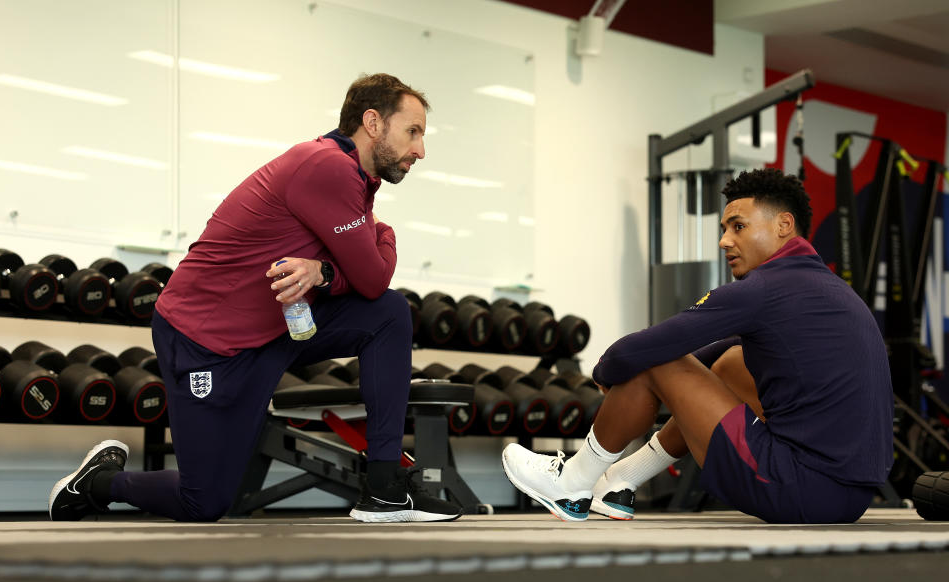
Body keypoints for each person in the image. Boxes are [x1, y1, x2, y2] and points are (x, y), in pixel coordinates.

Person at [49, 73, 461, 523]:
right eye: (414, 132)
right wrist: (384, 231)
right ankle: (97, 484)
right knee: (204, 501)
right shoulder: (327, 167)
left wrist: (323, 271)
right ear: (373, 122)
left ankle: (384, 488)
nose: (420, 149)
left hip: (272, 332)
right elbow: (372, 277)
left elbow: (365, 285)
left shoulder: (355, 176)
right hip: (204, 341)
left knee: (388, 315)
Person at [502, 168, 893, 524]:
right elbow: (725, 347)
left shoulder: (763, 289)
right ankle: (620, 481)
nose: (725, 241)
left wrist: (610, 369)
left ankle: (573, 481)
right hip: (847, 499)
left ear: (783, 225)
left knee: (655, 359)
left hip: (796, 487)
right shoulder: (828, 289)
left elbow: (641, 350)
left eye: (738, 226)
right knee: (732, 363)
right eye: (725, 229)